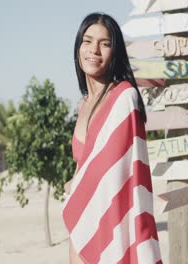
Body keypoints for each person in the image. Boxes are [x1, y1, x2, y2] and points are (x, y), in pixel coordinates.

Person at [62, 12, 162, 264]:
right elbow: (84, 165)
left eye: (105, 44)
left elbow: (118, 175)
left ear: (114, 53)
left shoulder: (124, 97)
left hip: (112, 226)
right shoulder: (83, 104)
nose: (94, 50)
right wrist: (74, 184)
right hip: (83, 225)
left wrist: (79, 185)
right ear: (78, 47)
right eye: (87, 41)